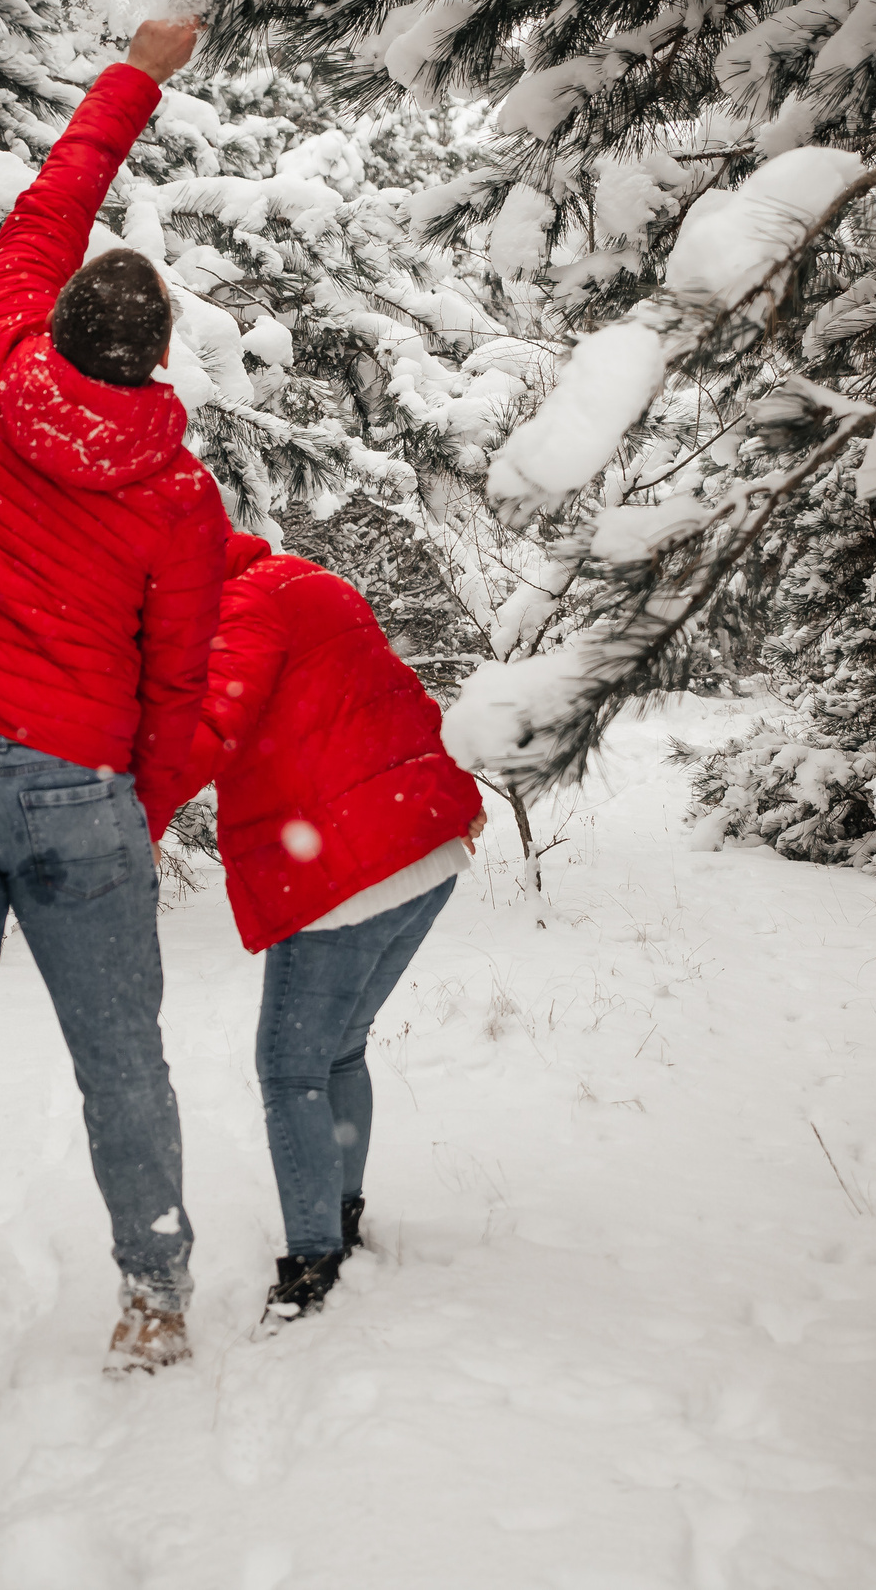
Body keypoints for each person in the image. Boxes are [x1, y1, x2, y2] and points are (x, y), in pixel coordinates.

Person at [0, 17, 227, 1426]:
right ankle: (150, 1299)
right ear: (150, 362)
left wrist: (143, 64)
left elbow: (57, 188)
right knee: (122, 1057)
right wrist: (138, 807)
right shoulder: (174, 495)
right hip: (80, 790)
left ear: (60, 315)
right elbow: (183, 688)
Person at [174, 531, 487, 1325]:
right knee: (338, 1047)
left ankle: (313, 1262)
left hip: (349, 870)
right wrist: (452, 795)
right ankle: (338, 1218)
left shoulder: (241, 608)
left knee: (290, 1069)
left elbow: (211, 729)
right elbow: (403, 693)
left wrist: (121, 814)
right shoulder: (306, 581)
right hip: (420, 849)